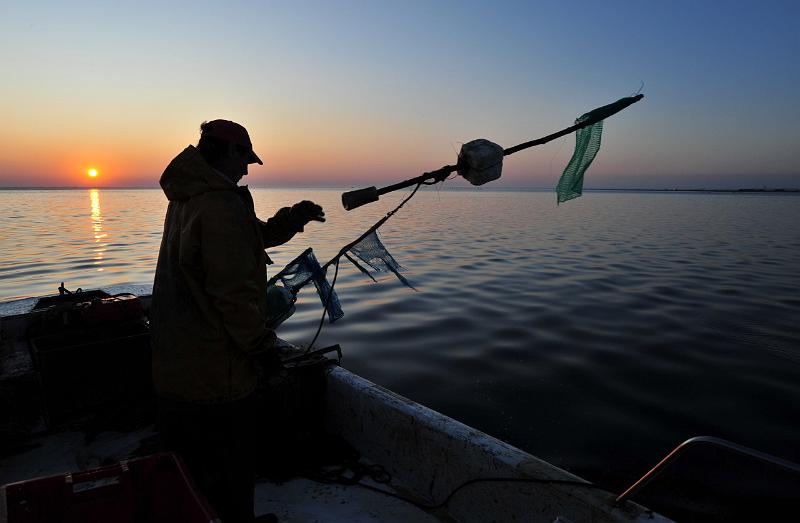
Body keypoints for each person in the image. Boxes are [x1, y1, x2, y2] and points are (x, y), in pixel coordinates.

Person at [150, 119, 325, 522]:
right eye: (245, 159)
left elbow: (246, 239)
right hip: (216, 371)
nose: (247, 169)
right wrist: (263, 350)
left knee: (193, 471)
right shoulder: (220, 204)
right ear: (229, 152)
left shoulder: (187, 197)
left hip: (175, 364)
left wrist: (292, 218)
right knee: (230, 464)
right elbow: (236, 296)